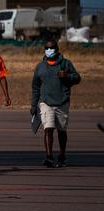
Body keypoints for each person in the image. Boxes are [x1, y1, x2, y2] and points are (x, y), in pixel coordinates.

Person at [31, 38, 81, 168]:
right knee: (48, 129)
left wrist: (67, 76)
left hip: (62, 102)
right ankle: (49, 157)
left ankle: (62, 155)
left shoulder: (65, 64)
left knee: (61, 131)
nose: (49, 50)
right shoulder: (40, 66)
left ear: (57, 50)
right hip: (45, 102)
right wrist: (33, 104)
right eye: (46, 48)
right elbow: (35, 87)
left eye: (51, 48)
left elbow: (77, 78)